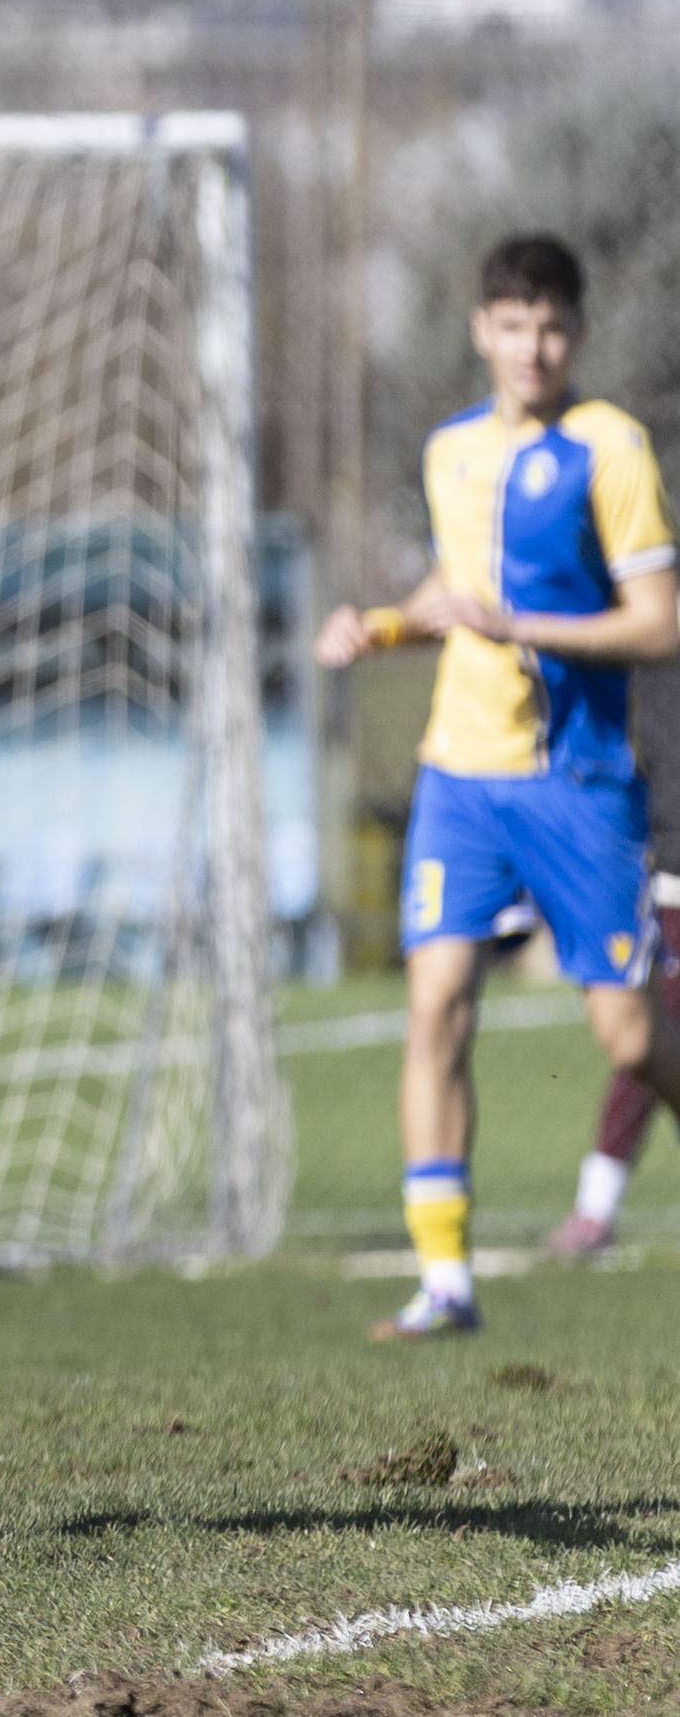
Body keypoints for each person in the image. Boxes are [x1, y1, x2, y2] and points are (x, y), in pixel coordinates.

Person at [314, 233, 680, 1339]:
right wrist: (382, 626)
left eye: (552, 328)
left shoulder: (609, 448)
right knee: (435, 1003)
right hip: (460, 778)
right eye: (514, 326)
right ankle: (445, 1280)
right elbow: (455, 589)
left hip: (577, 779)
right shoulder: (450, 452)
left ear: (577, 333)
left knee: (628, 1037)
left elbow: (658, 624)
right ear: (482, 329)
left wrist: (518, 624)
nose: (533, 348)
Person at [547, 662, 680, 1256]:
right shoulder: (654, 646)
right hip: (672, 872)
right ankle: (595, 1208)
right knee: (650, 1038)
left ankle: (595, 1209)